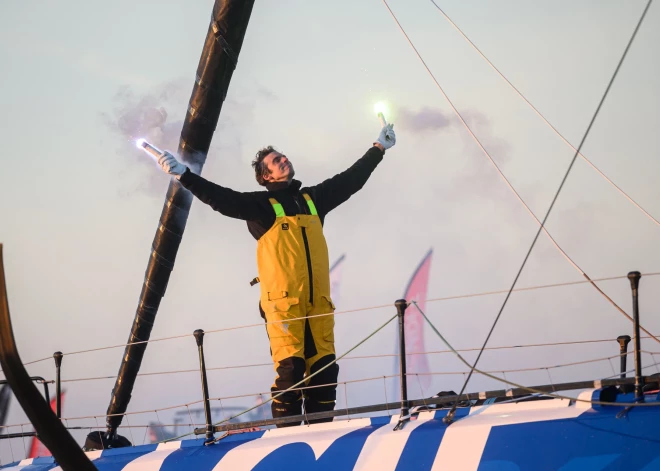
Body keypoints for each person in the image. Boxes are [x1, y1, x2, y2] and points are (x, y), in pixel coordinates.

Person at [156, 123, 396, 425]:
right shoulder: (260, 206)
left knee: (326, 369)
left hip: (319, 305)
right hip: (284, 307)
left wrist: (378, 149)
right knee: (291, 369)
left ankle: (323, 432)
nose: (283, 160)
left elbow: (350, 181)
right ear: (266, 176)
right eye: (275, 161)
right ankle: (288, 436)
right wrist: (184, 175)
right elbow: (221, 198)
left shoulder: (312, 199)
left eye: (283, 156)